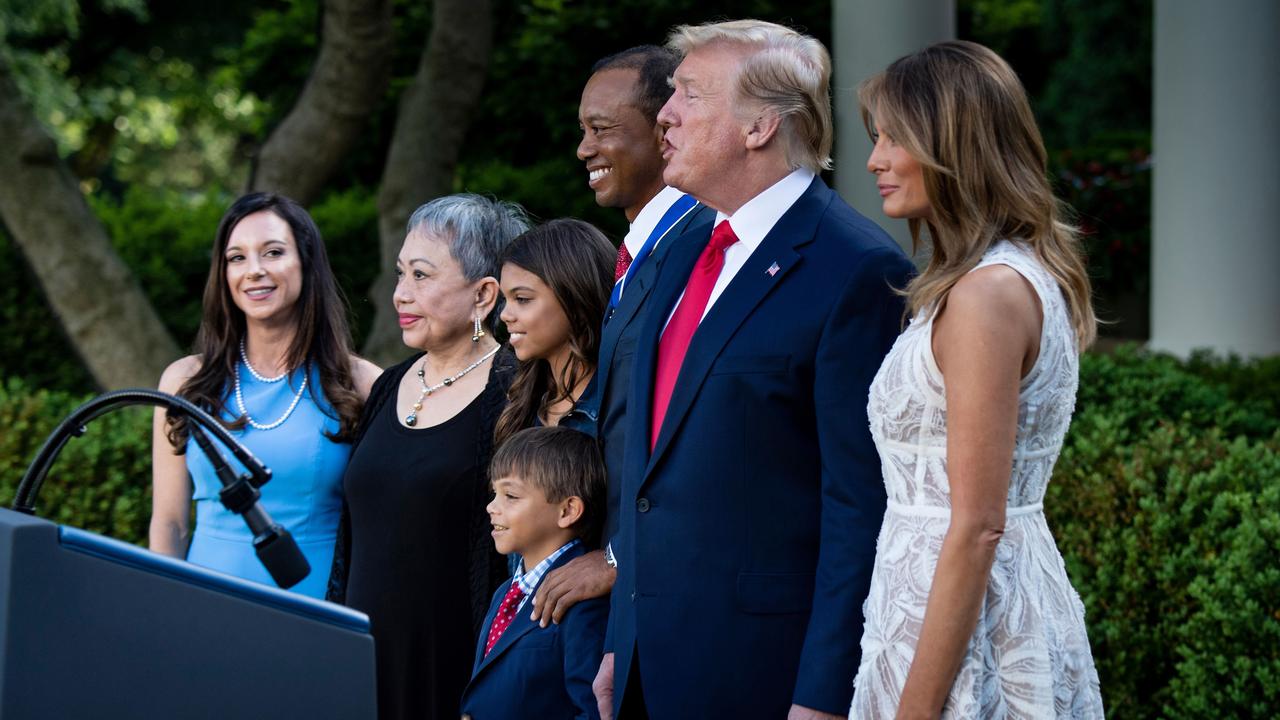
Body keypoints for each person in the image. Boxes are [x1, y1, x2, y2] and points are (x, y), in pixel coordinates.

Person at [594, 20, 916, 720]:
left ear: (761, 125)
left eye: (688, 96)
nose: (665, 115)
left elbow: (859, 507)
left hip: (761, 675)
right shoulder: (681, 250)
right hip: (647, 664)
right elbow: (648, 468)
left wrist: (824, 692)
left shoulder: (858, 271)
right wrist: (624, 636)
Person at [849, 41, 1104, 719]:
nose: (874, 160)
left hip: (968, 631)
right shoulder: (989, 279)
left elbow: (978, 525)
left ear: (951, 144)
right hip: (933, 609)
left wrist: (917, 707)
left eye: (892, 138)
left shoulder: (988, 294)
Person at [530, 45, 717, 628]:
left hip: (669, 591)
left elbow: (690, 431)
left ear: (665, 129)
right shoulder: (640, 250)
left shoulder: (700, 247)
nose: (584, 148)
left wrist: (617, 556)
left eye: (601, 129)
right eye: (581, 130)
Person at [326, 194, 529, 720]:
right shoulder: (389, 383)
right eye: (399, 274)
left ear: (485, 295)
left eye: (421, 276)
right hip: (361, 661)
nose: (400, 294)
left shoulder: (516, 394)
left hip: (453, 673)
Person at [150, 192, 380, 599]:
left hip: (315, 609)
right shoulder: (185, 381)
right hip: (202, 607)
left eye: (273, 252)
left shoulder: (360, 384)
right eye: (236, 258)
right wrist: (163, 610)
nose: (254, 270)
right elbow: (170, 523)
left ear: (306, 263)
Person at [460, 426, 609, 720]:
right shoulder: (505, 593)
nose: (491, 507)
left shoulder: (582, 599)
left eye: (511, 496)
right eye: (494, 493)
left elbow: (591, 710)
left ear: (567, 511)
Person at [492, 218, 616, 446]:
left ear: (576, 299)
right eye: (505, 299)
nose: (505, 315)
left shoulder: (619, 409)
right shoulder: (521, 401)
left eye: (522, 299)